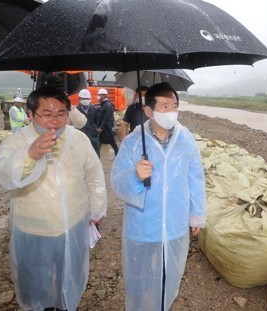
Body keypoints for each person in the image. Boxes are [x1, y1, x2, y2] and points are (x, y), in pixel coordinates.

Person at [0, 85, 107, 311]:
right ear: (31, 114)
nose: (55, 120)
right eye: (47, 114)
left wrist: (97, 209)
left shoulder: (79, 139)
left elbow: (94, 176)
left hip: (72, 224)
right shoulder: (18, 141)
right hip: (32, 228)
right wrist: (29, 155)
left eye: (61, 113)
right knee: (34, 280)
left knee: (69, 274)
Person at [111, 82, 206, 311]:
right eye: (164, 106)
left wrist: (197, 214)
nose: (171, 111)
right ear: (148, 111)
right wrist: (135, 176)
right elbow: (116, 182)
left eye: (174, 105)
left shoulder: (186, 139)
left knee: (168, 274)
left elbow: (195, 178)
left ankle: (163, 305)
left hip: (175, 222)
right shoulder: (134, 141)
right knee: (140, 276)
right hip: (142, 224)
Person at [77, 89, 101, 157]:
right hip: (80, 137)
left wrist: (96, 131)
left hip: (93, 136)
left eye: (86, 98)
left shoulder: (94, 109)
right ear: (79, 98)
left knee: (96, 155)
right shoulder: (75, 110)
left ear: (90, 98)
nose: (85, 100)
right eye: (83, 98)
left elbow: (97, 121)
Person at [96, 88, 119, 155]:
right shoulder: (103, 105)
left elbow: (106, 118)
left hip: (107, 129)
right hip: (103, 129)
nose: (98, 96)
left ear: (103, 95)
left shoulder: (108, 105)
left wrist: (101, 127)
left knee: (113, 143)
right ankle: (97, 157)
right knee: (99, 144)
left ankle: (117, 156)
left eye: (99, 95)